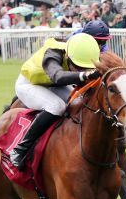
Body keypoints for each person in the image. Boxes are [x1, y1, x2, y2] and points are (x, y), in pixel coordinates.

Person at [10, 33, 101, 169]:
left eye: (85, 68)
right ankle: (20, 149)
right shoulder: (53, 53)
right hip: (29, 84)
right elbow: (57, 76)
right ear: (68, 57)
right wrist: (84, 75)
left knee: (79, 101)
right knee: (56, 106)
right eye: (78, 67)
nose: (82, 70)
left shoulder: (81, 53)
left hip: (52, 85)